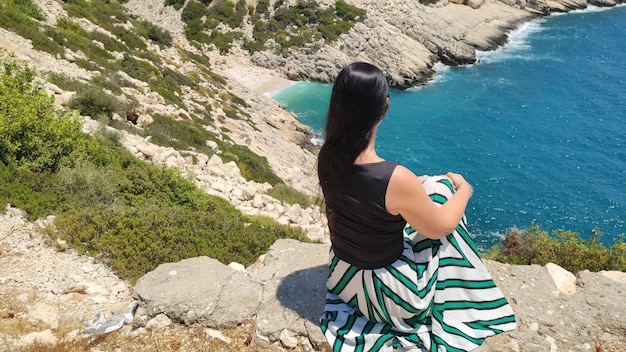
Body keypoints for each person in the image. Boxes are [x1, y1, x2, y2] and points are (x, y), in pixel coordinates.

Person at [317, 62, 516, 351]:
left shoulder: (327, 156)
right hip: (391, 294)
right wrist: (464, 189)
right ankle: (468, 293)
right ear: (384, 107)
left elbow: (369, 198)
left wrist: (420, 186)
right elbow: (441, 228)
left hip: (345, 279)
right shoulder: (394, 177)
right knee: (444, 192)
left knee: (431, 186)